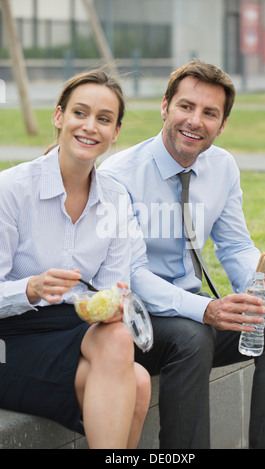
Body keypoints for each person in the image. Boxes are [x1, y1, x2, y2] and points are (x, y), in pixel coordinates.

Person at [99, 59, 265, 449]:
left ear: (222, 124)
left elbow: (236, 245)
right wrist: (205, 309)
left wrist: (260, 287)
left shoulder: (222, 166)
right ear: (165, 107)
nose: (195, 121)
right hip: (134, 318)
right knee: (192, 337)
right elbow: (131, 274)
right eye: (186, 107)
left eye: (210, 113)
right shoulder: (117, 175)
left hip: (193, 310)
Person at [0, 68, 151, 449]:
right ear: (59, 117)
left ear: (115, 132)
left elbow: (114, 287)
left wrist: (115, 305)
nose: (89, 127)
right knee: (136, 381)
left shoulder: (115, 198)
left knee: (130, 358)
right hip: (10, 337)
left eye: (104, 119)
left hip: (72, 330)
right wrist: (31, 288)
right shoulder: (12, 189)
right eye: (79, 113)